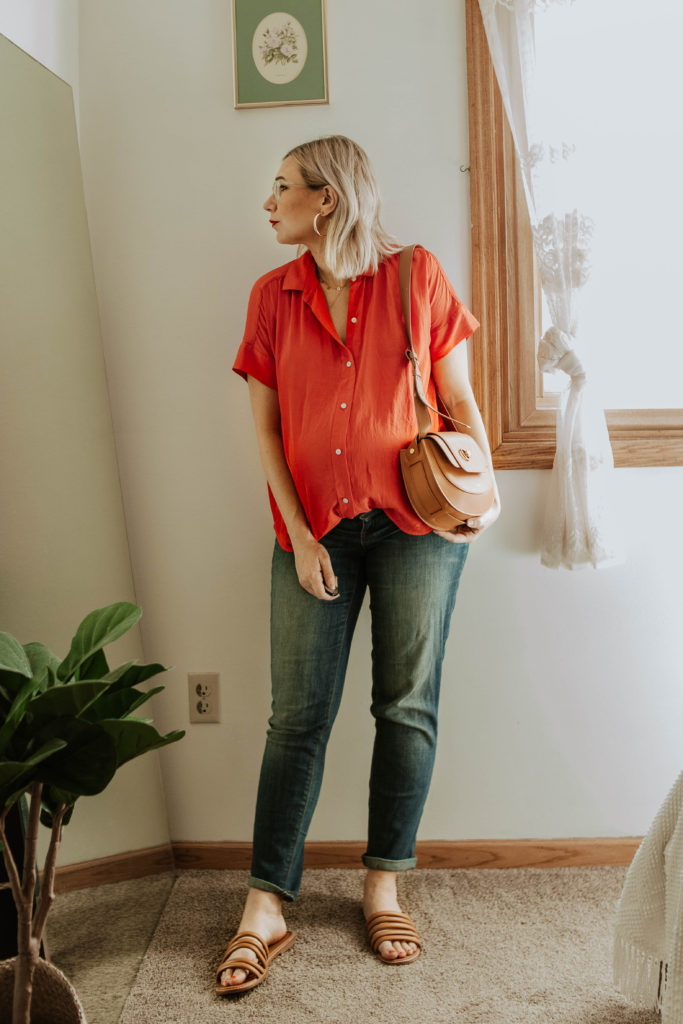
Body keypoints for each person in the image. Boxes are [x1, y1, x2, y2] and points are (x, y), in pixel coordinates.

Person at [216, 135, 500, 996]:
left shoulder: (416, 277)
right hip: (315, 531)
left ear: (326, 198)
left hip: (417, 523)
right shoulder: (272, 297)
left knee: (404, 705)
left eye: (281, 188)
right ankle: (266, 903)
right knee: (296, 717)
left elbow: (457, 402)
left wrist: (480, 495)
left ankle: (384, 882)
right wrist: (299, 536)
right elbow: (267, 431)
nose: (268, 204)